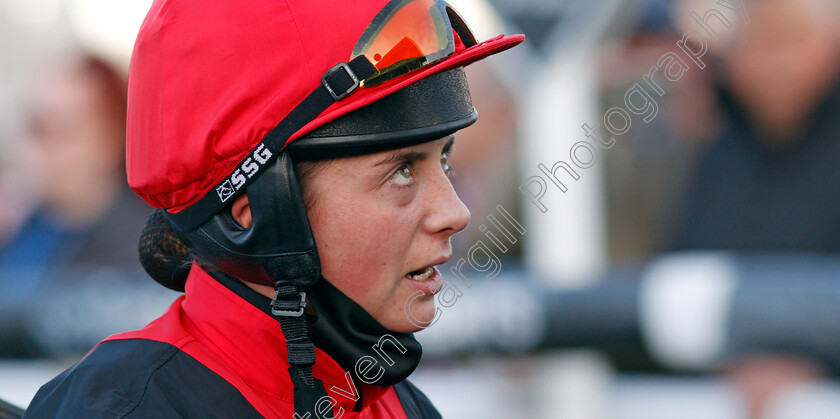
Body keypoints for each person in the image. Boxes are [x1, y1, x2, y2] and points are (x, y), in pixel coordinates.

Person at [24, 0, 523, 417]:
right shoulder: (121, 409)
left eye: (445, 161)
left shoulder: (398, 403)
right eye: (402, 172)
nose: (455, 212)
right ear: (252, 208)